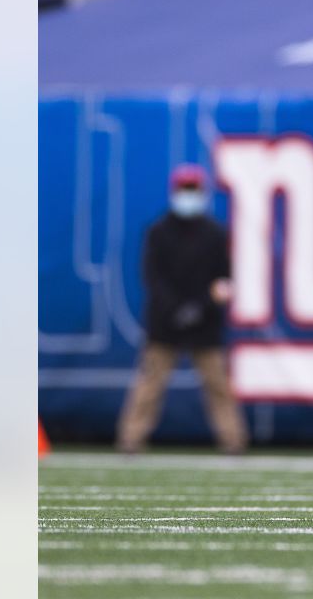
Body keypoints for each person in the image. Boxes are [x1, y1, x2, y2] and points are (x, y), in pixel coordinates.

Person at [116, 164, 247, 454]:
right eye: (184, 190)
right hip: (165, 320)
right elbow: (153, 276)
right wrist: (175, 308)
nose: (189, 196)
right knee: (150, 383)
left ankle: (233, 441)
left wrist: (200, 306)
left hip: (206, 320)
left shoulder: (214, 233)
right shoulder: (159, 232)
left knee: (218, 384)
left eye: (194, 190)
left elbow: (224, 278)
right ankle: (131, 439)